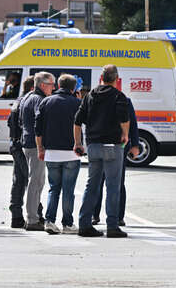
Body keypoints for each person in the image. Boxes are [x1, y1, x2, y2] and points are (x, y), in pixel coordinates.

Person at [74, 65, 130, 238]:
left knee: (92, 185)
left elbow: (77, 121)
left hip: (93, 146)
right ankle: (112, 226)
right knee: (113, 186)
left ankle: (84, 224)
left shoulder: (90, 96)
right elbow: (124, 119)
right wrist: (125, 135)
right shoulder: (118, 96)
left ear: (101, 77)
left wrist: (78, 143)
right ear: (116, 79)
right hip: (112, 146)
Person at [35, 74, 81, 235]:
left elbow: (38, 129)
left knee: (53, 189)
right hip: (71, 153)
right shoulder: (77, 103)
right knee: (68, 190)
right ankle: (67, 224)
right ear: (73, 88)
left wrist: (40, 149)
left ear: (58, 85)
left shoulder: (46, 102)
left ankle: (49, 221)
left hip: (51, 153)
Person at [92, 97, 140, 226]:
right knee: (109, 181)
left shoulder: (122, 100)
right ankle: (98, 215)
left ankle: (115, 216)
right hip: (109, 144)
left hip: (114, 144)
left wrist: (135, 144)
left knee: (108, 181)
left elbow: (132, 123)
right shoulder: (96, 98)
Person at [19, 71, 55, 231]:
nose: (53, 88)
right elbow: (39, 123)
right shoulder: (39, 100)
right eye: (51, 85)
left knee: (35, 181)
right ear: (42, 85)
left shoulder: (27, 97)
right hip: (35, 145)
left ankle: (33, 217)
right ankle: (32, 219)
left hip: (28, 142)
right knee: (36, 182)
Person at [7, 75, 40, 228]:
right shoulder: (29, 102)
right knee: (33, 181)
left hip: (15, 143)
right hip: (24, 144)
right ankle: (36, 214)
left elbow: (10, 123)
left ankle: (16, 216)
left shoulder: (18, 101)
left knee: (18, 181)